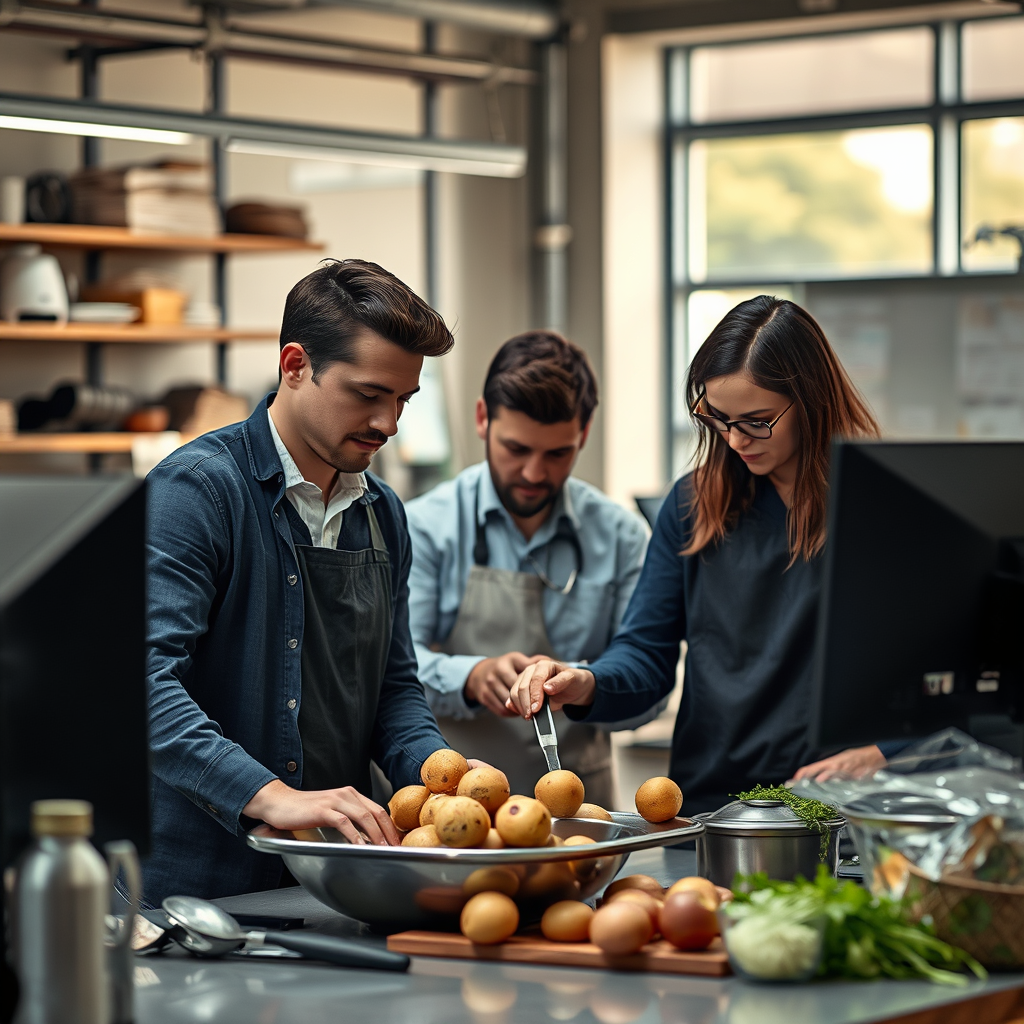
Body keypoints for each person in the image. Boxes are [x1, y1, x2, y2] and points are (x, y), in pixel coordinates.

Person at [506, 296, 903, 814]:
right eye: (718, 418)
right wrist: (586, 681)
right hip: (715, 810)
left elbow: (956, 684)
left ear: (811, 401)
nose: (735, 439)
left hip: (843, 812)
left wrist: (884, 753)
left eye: (757, 421)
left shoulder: (887, 507)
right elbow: (646, 656)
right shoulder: (693, 504)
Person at [144, 259, 457, 902]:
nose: (388, 423)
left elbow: (391, 690)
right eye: (368, 394)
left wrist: (442, 776)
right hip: (200, 894)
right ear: (294, 365)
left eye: (402, 399)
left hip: (335, 886)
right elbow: (142, 684)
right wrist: (270, 796)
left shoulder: (382, 514)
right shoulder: (198, 491)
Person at [405, 331, 652, 803]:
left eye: (557, 453)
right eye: (516, 449)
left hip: (579, 816)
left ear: (584, 431)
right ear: (482, 419)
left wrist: (585, 686)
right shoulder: (424, 525)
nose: (535, 473)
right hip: (457, 808)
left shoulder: (622, 536)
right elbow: (393, 671)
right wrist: (470, 677)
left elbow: (650, 689)